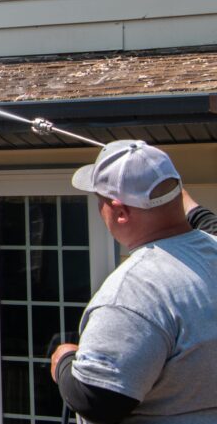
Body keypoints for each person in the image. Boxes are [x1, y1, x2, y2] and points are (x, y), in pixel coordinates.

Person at [49, 140, 217, 423]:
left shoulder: (135, 291)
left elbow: (97, 400)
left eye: (99, 200)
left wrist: (64, 361)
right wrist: (166, 185)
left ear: (120, 211)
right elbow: (204, 219)